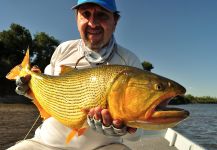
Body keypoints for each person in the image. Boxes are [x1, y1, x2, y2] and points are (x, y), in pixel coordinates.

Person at [8, 0, 144, 149]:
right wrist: (31, 90)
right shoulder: (63, 49)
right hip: (45, 143)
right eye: (86, 14)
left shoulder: (130, 61)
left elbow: (137, 134)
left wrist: (123, 130)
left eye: (102, 15)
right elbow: (48, 96)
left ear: (115, 20)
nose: (93, 23)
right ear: (76, 18)